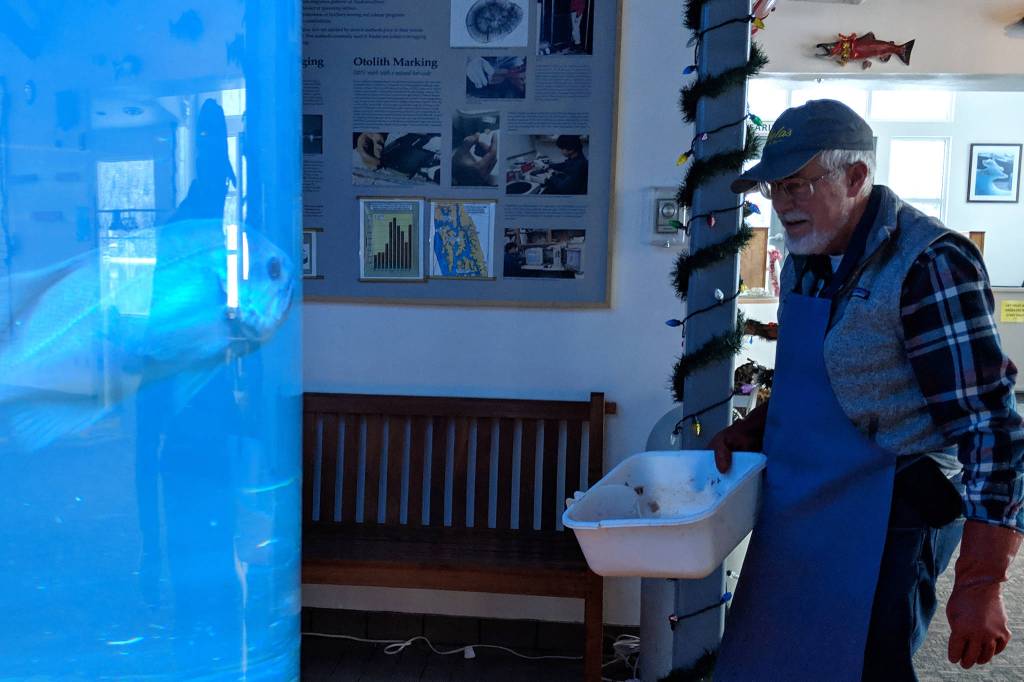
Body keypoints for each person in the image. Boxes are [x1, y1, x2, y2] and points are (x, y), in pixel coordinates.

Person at [710, 99, 1023, 681]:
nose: (782, 204)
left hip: (894, 503)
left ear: (855, 177)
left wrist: (983, 580)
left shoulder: (931, 263)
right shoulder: (809, 254)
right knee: (782, 645)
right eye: (775, 187)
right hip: (805, 498)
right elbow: (825, 374)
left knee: (869, 661)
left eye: (798, 184)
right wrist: (757, 426)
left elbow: (990, 425)